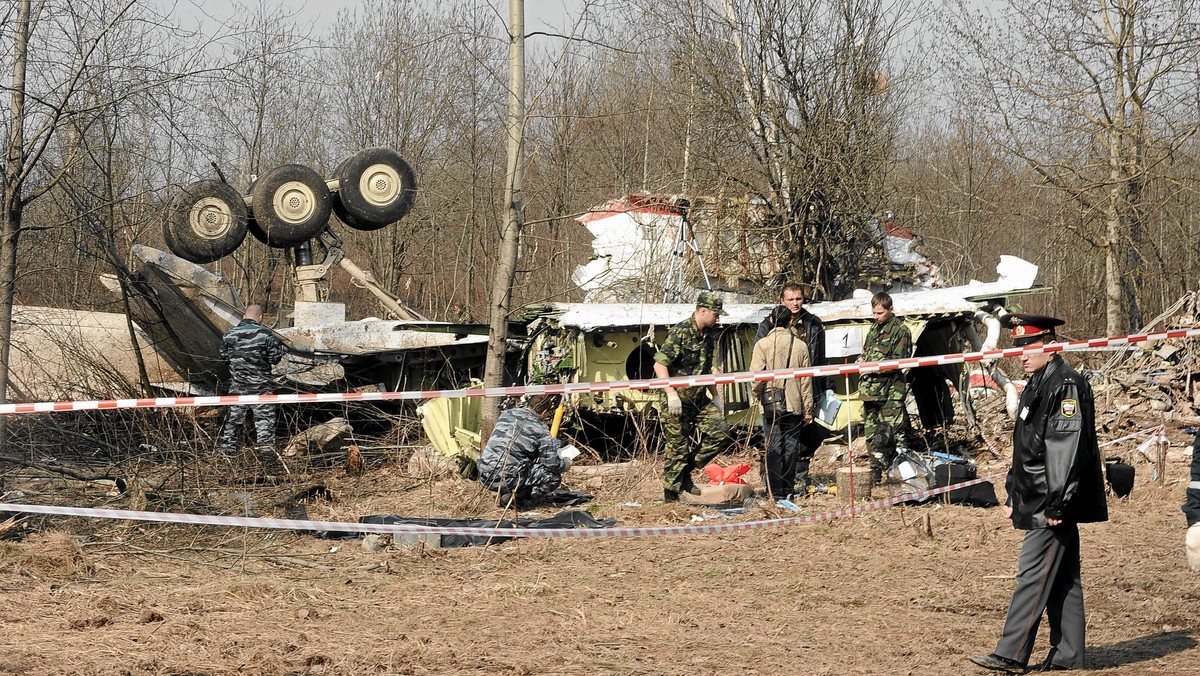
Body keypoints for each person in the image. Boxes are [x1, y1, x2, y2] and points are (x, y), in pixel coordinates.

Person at [970, 313, 1108, 673]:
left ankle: (1010, 654)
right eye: (1018, 347)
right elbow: (1028, 446)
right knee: (1064, 579)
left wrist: (1058, 503)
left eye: (1026, 347)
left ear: (1048, 346)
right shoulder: (1038, 381)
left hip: (1051, 502)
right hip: (1038, 498)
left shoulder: (1064, 384)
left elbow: (1066, 447)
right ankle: (1068, 656)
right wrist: (1013, 493)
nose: (1020, 354)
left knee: (1032, 574)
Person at [654, 291, 732, 502]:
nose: (718, 318)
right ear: (702, 311)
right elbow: (659, 365)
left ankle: (686, 472)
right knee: (677, 447)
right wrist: (670, 394)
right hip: (677, 401)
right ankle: (670, 495)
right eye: (716, 314)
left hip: (698, 399)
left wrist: (716, 396)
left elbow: (706, 370)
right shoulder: (680, 332)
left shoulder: (708, 335)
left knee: (721, 432)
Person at [756, 283, 828, 460]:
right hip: (776, 392)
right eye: (790, 299)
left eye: (799, 299)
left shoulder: (813, 323)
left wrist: (827, 387)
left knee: (807, 439)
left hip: (806, 390)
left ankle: (799, 481)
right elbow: (760, 361)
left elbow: (821, 358)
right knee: (775, 441)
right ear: (782, 300)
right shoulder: (768, 325)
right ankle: (773, 482)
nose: (795, 303)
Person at [751, 305, 814, 498]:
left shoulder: (762, 345)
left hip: (771, 404)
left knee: (774, 446)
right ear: (790, 322)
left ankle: (774, 491)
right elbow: (806, 381)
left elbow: (756, 377)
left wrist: (757, 395)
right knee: (792, 445)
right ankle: (788, 489)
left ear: (771, 320)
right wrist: (808, 409)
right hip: (794, 403)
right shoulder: (801, 346)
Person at [217, 305, 286, 464]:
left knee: (233, 422)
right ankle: (266, 457)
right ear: (260, 317)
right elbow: (275, 359)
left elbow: (223, 359)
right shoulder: (265, 334)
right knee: (264, 423)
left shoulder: (229, 335)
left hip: (238, 387)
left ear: (244, 316)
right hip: (261, 388)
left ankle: (226, 455)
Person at [477, 395, 572, 508]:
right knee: (553, 477)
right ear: (544, 412)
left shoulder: (507, 414)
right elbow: (552, 465)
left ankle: (508, 493)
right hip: (509, 478)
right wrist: (566, 463)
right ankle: (519, 499)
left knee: (516, 464)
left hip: (484, 474)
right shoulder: (541, 429)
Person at [858, 291, 912, 484]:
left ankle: (901, 473)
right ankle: (875, 473)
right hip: (870, 391)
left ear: (890, 309)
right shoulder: (873, 329)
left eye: (879, 313)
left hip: (890, 391)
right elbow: (868, 353)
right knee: (871, 433)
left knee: (895, 433)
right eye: (874, 313)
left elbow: (898, 362)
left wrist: (871, 368)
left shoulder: (901, 331)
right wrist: (862, 361)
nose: (876, 317)